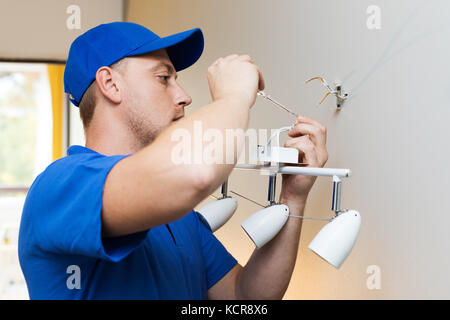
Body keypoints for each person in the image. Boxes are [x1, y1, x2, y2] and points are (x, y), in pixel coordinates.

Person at [18, 22, 328, 299]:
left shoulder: (177, 214)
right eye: (164, 77)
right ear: (111, 85)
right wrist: (232, 98)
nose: (183, 96)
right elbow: (194, 173)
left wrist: (294, 197)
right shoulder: (62, 187)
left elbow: (243, 295)